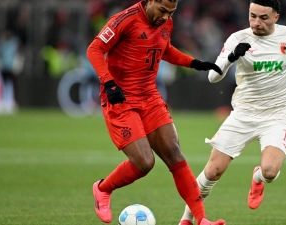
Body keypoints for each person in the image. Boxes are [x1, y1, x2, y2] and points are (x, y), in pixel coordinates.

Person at [178, 0, 286, 224]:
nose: (256, 23)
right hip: (244, 113)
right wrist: (232, 57)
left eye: (263, 18)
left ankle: (257, 177)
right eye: (252, 16)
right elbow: (213, 77)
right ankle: (186, 220)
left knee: (269, 171)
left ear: (276, 17)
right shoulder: (238, 38)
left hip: (278, 114)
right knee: (213, 171)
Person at [86, 0, 226, 225]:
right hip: (121, 99)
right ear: (150, 1)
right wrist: (109, 83)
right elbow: (94, 49)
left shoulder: (166, 23)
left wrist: (194, 63)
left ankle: (201, 220)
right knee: (144, 162)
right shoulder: (124, 20)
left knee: (175, 153)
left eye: (171, 12)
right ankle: (102, 189)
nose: (166, 17)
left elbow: (164, 49)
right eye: (162, 10)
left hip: (150, 96)